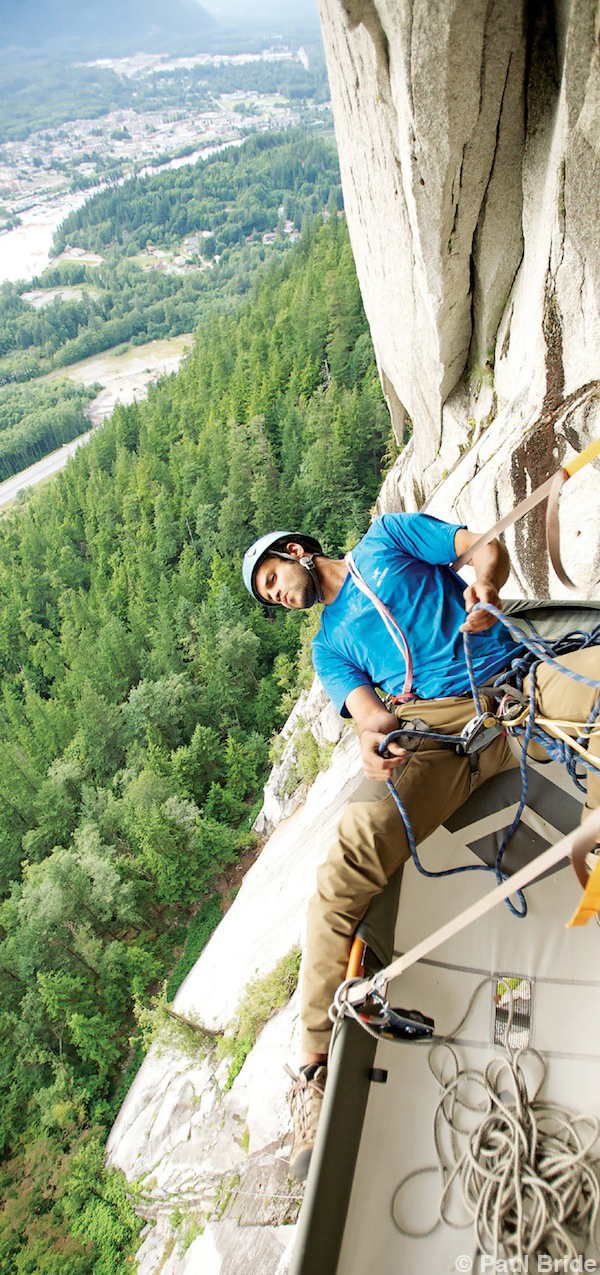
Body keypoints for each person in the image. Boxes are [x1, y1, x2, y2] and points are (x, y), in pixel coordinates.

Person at [242, 514, 600, 1181]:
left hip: (513, 676)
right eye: (270, 597)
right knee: (347, 855)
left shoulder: (387, 539)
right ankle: (315, 1072)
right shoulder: (329, 646)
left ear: (294, 550)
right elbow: (366, 710)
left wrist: (486, 587)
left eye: (273, 579)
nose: (279, 595)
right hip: (439, 732)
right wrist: (371, 736)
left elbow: (482, 550)